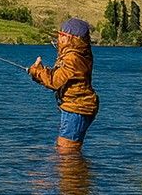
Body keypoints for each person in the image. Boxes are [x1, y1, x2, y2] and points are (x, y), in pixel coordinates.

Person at [28, 17, 99, 151]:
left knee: (67, 151)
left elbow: (55, 82)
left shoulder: (73, 58)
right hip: (77, 106)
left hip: (78, 108)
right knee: (66, 152)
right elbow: (59, 77)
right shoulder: (77, 54)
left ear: (71, 38)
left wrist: (37, 71)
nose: (58, 39)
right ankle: (76, 171)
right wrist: (40, 73)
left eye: (62, 35)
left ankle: (73, 172)